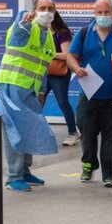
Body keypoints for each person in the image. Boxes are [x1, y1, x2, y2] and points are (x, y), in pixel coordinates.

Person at [66, 0, 112, 188]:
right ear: (94, 14)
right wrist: (76, 69)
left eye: (107, 12)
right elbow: (71, 56)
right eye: (99, 13)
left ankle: (109, 174)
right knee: (87, 132)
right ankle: (89, 164)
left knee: (111, 138)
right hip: (89, 95)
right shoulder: (83, 33)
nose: (103, 16)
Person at [0, 0, 57, 192]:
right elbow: (17, 36)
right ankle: (14, 177)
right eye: (42, 8)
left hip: (30, 89)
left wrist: (40, 90)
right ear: (34, 10)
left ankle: (25, 171)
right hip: (11, 85)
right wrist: (23, 23)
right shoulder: (26, 27)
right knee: (14, 131)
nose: (46, 12)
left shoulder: (48, 37)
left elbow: (43, 67)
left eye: (50, 8)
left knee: (29, 128)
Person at [44, 10, 79, 146]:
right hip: (44, 73)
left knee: (62, 102)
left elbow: (67, 55)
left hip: (59, 74)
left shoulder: (62, 33)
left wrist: (49, 54)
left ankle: (73, 133)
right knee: (37, 102)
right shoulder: (41, 33)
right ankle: (39, 132)